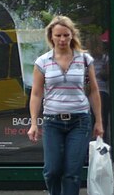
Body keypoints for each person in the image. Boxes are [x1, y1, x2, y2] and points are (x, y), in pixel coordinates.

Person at [27, 16, 103, 195]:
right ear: (51, 37)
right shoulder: (42, 61)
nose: (62, 39)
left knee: (72, 173)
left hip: (80, 121)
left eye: (66, 35)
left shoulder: (84, 60)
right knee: (52, 170)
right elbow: (36, 94)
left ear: (72, 36)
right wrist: (33, 123)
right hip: (52, 120)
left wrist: (98, 121)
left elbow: (93, 91)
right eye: (58, 35)